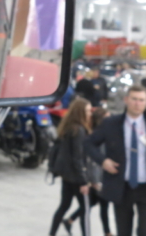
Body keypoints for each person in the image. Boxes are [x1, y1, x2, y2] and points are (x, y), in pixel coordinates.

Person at [84, 85, 146, 236]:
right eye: (134, 99)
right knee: (123, 231)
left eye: (141, 100)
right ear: (126, 100)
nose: (137, 103)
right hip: (122, 187)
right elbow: (88, 144)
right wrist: (103, 161)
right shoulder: (110, 123)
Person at [64, 108, 113, 236]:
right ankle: (107, 232)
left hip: (101, 177)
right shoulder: (96, 136)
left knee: (93, 203)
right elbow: (92, 161)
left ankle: (70, 220)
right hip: (96, 178)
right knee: (102, 204)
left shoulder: (105, 134)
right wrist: (94, 181)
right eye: (107, 118)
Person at [49, 97, 93, 236]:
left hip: (66, 175)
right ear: (80, 112)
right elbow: (77, 158)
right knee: (85, 209)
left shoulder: (67, 127)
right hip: (76, 177)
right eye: (87, 111)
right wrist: (84, 181)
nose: (90, 113)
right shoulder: (79, 130)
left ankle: (52, 233)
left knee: (64, 206)